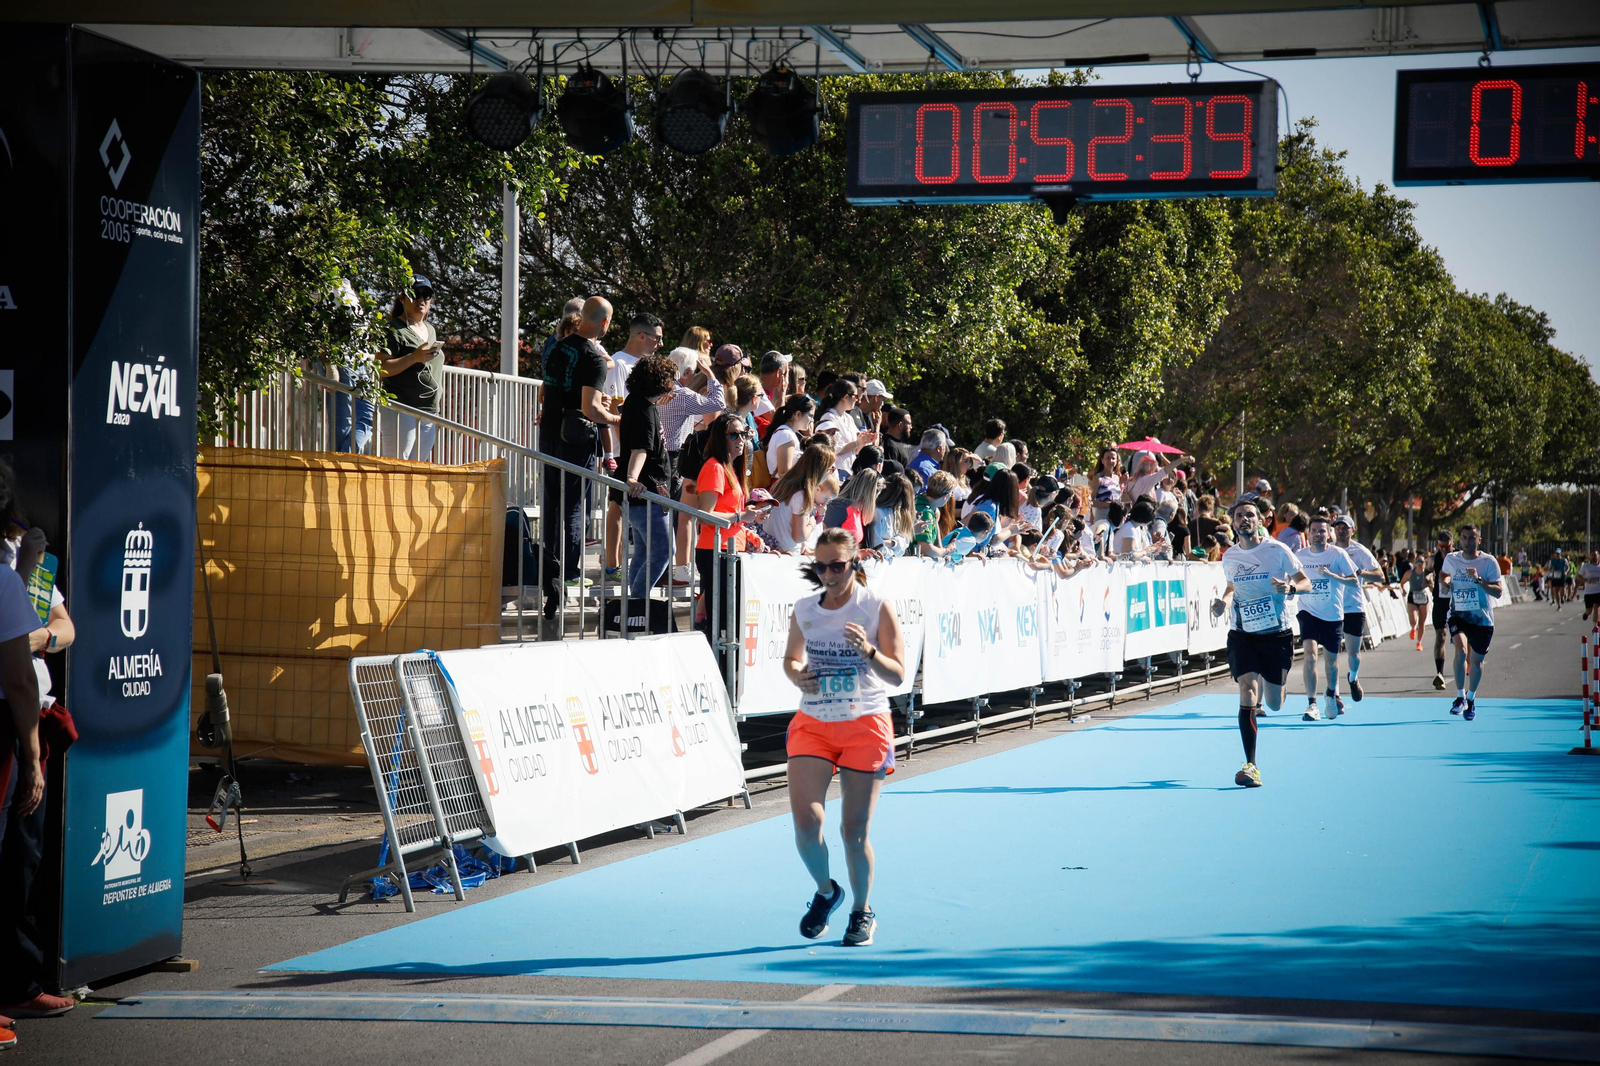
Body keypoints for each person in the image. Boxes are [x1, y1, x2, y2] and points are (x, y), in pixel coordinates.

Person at [783, 528, 906, 947]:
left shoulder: (875, 607)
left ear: (855, 562)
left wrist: (868, 651)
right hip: (814, 723)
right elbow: (791, 659)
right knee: (806, 824)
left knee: (853, 831)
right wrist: (798, 676)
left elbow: (898, 674)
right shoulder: (805, 608)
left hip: (864, 723)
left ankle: (862, 911)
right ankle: (826, 892)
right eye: (821, 567)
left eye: (837, 566)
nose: (829, 575)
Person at [1212, 499, 1311, 787]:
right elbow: (1232, 587)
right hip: (1242, 634)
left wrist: (1290, 587)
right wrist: (1223, 603)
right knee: (1247, 691)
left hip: (1276, 634)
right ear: (1233, 523)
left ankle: (1277, 686)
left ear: (1260, 521)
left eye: (1250, 515)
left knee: (1274, 703)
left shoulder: (1277, 550)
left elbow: (1305, 582)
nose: (1244, 519)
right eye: (1239, 516)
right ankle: (1251, 766)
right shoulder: (1230, 556)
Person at [539, 297, 618, 617]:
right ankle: (570, 572)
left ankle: (549, 571)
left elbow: (547, 390)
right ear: (604, 323)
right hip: (575, 438)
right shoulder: (593, 356)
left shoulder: (555, 346)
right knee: (573, 506)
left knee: (551, 504)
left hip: (549, 433)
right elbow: (591, 408)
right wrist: (617, 419)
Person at [603, 312, 665, 579]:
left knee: (624, 506)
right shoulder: (618, 364)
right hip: (625, 449)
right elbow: (615, 408)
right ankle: (612, 564)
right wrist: (626, 444)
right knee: (617, 505)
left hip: (641, 448)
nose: (661, 344)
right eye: (657, 338)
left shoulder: (643, 365)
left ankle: (621, 565)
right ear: (641, 336)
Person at [662, 346, 728, 589]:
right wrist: (710, 375)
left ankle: (671, 569)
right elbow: (717, 403)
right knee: (681, 516)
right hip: (674, 459)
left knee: (668, 516)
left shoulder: (659, 390)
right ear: (688, 372)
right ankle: (679, 569)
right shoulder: (681, 395)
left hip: (659, 457)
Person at [694, 414, 767, 628]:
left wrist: (749, 528)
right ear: (720, 437)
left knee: (730, 622)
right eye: (734, 434)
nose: (741, 439)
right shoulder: (715, 467)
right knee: (721, 623)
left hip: (730, 549)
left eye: (744, 434)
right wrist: (740, 516)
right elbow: (704, 514)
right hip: (716, 551)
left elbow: (730, 513)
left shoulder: (729, 469)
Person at [618, 354, 679, 601]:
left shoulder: (639, 402)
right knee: (664, 550)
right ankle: (638, 603)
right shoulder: (643, 409)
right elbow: (640, 448)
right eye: (670, 379)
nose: (672, 384)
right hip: (646, 493)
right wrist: (632, 478)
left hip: (645, 494)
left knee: (643, 552)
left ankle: (634, 604)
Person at [1294, 516, 1362, 720]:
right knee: (1310, 655)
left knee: (1331, 661)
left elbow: (1354, 582)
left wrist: (1332, 576)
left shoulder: (1338, 554)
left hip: (1332, 615)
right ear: (1308, 533)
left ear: (1328, 534)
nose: (1318, 534)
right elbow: (1290, 578)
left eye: (1322, 531)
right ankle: (1312, 704)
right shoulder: (1300, 556)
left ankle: (1331, 694)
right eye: (1314, 531)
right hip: (1308, 612)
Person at [378, 276, 444, 461]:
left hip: (429, 411)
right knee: (398, 465)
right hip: (401, 408)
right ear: (402, 298)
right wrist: (413, 357)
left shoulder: (431, 330)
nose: (421, 300)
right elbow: (381, 368)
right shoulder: (393, 329)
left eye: (426, 295)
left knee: (417, 467)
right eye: (415, 294)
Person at [1442, 524, 1503, 720]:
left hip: (1482, 619)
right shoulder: (1451, 559)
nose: (1467, 541)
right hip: (1458, 614)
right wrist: (1445, 581)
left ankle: (1471, 698)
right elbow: (1444, 574)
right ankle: (1460, 697)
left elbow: (1498, 592)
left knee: (1476, 662)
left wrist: (1478, 581)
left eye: (1471, 538)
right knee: (1460, 651)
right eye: (1464, 537)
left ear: (1479, 540)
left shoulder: (1488, 562)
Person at [1331, 514, 1384, 703]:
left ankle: (1353, 678)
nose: (1341, 530)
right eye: (1338, 527)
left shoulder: (1359, 551)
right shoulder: (1329, 550)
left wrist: (1361, 572)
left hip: (1353, 607)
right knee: (1332, 655)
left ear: (1352, 530)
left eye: (1345, 527)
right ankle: (1335, 694)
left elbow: (1380, 576)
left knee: (1353, 653)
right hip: (1332, 608)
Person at [765, 444, 836, 554]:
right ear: (821, 470)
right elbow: (799, 536)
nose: (830, 473)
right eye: (830, 469)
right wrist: (812, 522)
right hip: (786, 554)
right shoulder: (801, 495)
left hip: (774, 549)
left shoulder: (783, 483)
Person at [815, 381, 875, 478]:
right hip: (835, 471)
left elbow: (855, 450)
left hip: (849, 470)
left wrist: (865, 440)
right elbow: (832, 448)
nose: (857, 399)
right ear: (846, 397)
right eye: (855, 396)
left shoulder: (848, 418)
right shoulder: (829, 417)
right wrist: (857, 443)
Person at [763, 395, 817, 483]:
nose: (812, 420)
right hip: (782, 488)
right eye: (811, 415)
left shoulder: (787, 434)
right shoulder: (786, 436)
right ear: (798, 414)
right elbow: (784, 473)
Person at [1425, 529, 1454, 688]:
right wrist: (1428, 579)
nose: (1444, 550)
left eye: (1446, 547)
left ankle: (1468, 662)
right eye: (1441, 547)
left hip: (1457, 602)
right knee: (1441, 636)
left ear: (1452, 544)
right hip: (1440, 601)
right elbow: (1427, 573)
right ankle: (1440, 674)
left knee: (1462, 637)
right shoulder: (1433, 559)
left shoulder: (1458, 557)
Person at [914, 472, 956, 559]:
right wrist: (946, 551)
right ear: (945, 496)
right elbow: (926, 550)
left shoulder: (928, 505)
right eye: (951, 493)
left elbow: (937, 545)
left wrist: (943, 552)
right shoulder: (925, 513)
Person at [1406, 554, 1432, 651]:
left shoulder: (1427, 574)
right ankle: (1413, 628)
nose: (1419, 564)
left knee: (1422, 622)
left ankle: (1419, 642)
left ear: (1425, 563)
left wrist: (1431, 585)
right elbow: (1402, 582)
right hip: (1412, 596)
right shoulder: (1410, 573)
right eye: (1417, 561)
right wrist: (1403, 589)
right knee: (1413, 619)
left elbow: (1432, 587)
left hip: (1423, 598)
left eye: (1421, 562)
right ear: (1415, 563)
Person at [1582, 551, 1600, 621]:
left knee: (1596, 607)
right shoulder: (1586, 566)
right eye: (1592, 555)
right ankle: (1586, 613)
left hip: (1598, 591)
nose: (1593, 557)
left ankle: (1595, 626)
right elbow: (1578, 576)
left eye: (1595, 555)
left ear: (1598, 556)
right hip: (1589, 592)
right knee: (1589, 611)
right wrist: (1586, 580)